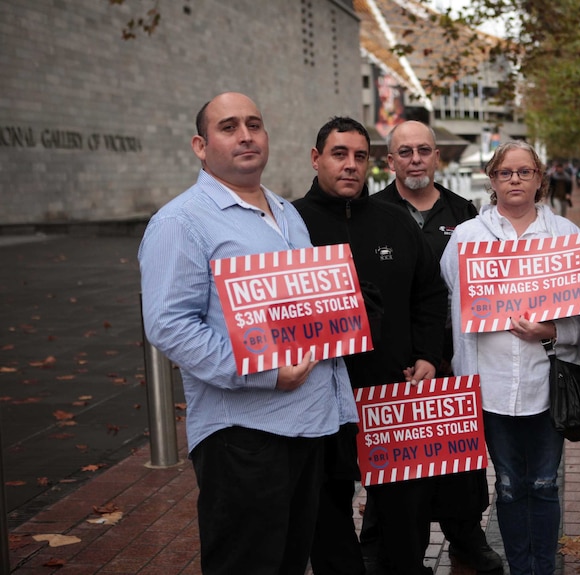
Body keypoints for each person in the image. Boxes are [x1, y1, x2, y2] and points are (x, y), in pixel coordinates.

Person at [138, 92, 358, 575]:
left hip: (309, 425)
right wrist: (264, 373)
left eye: (254, 125)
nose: (245, 136)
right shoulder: (181, 222)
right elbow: (170, 326)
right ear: (201, 145)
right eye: (229, 126)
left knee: (288, 561)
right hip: (244, 435)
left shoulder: (286, 212)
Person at [294, 116, 448, 575]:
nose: (350, 165)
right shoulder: (289, 224)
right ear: (316, 158)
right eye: (339, 154)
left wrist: (427, 355)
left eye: (360, 156)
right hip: (319, 394)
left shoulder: (396, 222)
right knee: (326, 504)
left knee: (405, 505)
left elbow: (430, 293)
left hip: (392, 390)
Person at [440, 140, 580, 575]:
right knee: (509, 487)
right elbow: (455, 315)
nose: (515, 179)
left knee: (545, 485)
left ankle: (542, 569)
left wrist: (554, 331)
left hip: (546, 388)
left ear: (539, 179)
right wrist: (464, 383)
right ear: (492, 180)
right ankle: (519, 567)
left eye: (524, 172)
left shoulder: (566, 237)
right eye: (505, 172)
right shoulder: (467, 238)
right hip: (490, 390)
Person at [374, 120, 503, 572]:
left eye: (423, 151)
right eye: (404, 152)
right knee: (392, 464)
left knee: (462, 466)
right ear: (389, 161)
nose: (415, 160)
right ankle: (385, 545)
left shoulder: (464, 212)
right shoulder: (371, 213)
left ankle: (467, 537)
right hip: (391, 367)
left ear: (436, 157)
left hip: (451, 361)